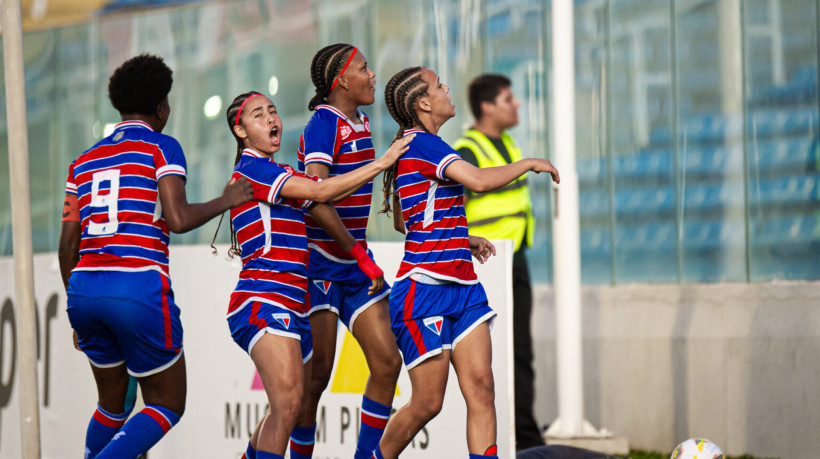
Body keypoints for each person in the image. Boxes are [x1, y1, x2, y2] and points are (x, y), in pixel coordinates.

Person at [57, 54, 253, 459]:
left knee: (113, 405)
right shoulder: (162, 146)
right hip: (137, 286)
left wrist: (76, 305)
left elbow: (67, 245)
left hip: (84, 290)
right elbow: (178, 218)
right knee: (166, 403)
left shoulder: (82, 162)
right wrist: (226, 199)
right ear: (162, 107)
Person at [373, 67, 559, 459]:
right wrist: (528, 163)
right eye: (439, 85)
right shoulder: (425, 144)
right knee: (427, 403)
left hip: (463, 286)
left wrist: (460, 237)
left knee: (482, 389)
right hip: (423, 289)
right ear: (423, 103)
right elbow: (477, 181)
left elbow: (404, 219)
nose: (447, 89)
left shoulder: (421, 145)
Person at [222, 91, 412, 459]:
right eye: (258, 115)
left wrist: (359, 254)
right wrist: (384, 161)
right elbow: (322, 188)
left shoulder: (281, 173)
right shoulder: (254, 169)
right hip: (264, 300)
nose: (272, 119)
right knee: (290, 405)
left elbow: (321, 201)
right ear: (240, 130)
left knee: (293, 405)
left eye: (273, 111)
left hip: (293, 302)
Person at [292, 43, 403, 459]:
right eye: (364, 68)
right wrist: (358, 253)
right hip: (320, 265)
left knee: (387, 364)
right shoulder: (323, 125)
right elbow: (316, 199)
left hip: (354, 267)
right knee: (317, 377)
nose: (372, 74)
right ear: (340, 81)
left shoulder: (363, 120)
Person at [452, 74, 543, 450]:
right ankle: (521, 440)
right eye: (509, 98)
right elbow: (451, 212)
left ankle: (524, 435)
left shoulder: (506, 142)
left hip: (515, 259)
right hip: (486, 264)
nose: (517, 104)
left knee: (521, 352)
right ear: (487, 106)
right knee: (494, 361)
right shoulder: (467, 150)